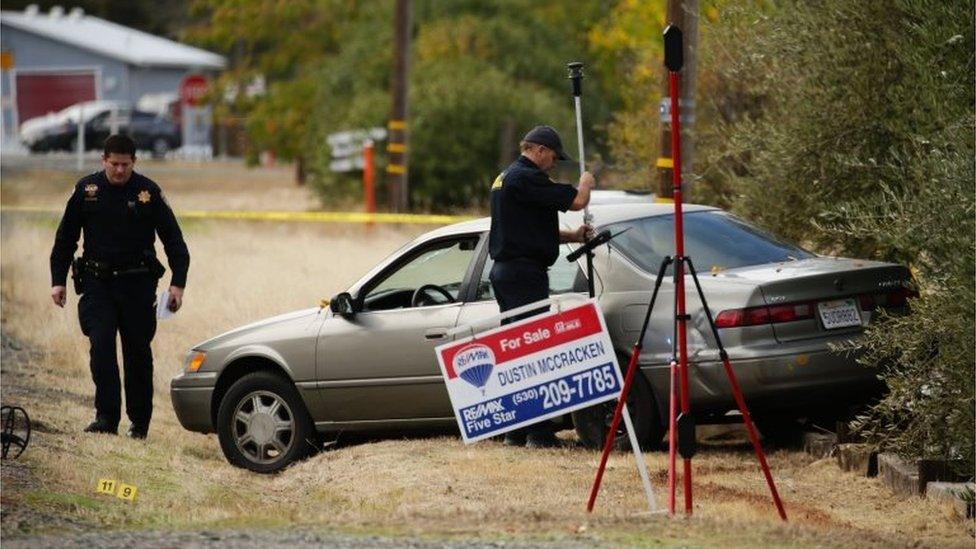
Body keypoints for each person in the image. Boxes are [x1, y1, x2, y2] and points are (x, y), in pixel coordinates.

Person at [49, 134, 190, 439]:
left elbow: (175, 242)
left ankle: (139, 423)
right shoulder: (87, 191)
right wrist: (57, 281)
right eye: (114, 164)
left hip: (137, 285)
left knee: (137, 353)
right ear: (104, 161)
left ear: (134, 162)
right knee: (101, 347)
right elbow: (65, 240)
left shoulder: (148, 193)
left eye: (125, 165)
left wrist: (177, 284)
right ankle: (106, 417)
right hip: (98, 283)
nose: (120, 171)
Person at [489, 125, 594, 448]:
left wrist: (574, 237)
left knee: (517, 350)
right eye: (553, 158)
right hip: (524, 275)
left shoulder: (507, 178)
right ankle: (538, 433)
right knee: (532, 351)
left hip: (508, 272)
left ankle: (516, 431)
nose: (553, 164)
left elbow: (529, 227)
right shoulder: (527, 177)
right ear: (538, 150)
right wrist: (587, 181)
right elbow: (577, 201)